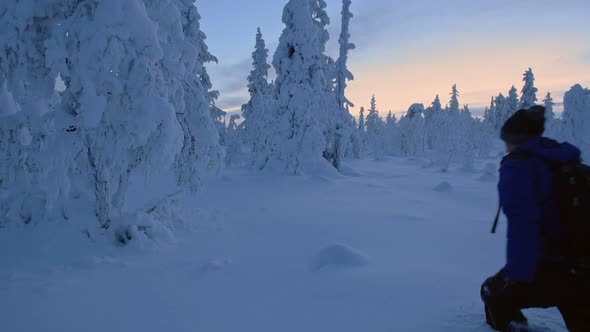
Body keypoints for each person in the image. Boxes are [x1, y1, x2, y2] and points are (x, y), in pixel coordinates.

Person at [481, 106, 590, 332]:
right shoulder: (562, 158)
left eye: (508, 139)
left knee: (493, 293)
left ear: (516, 139)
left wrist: (518, 277)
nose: (506, 145)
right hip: (582, 263)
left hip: (551, 264)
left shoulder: (519, 167)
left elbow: (523, 225)